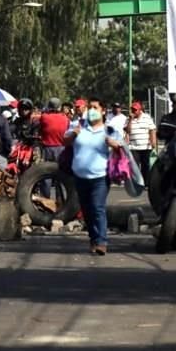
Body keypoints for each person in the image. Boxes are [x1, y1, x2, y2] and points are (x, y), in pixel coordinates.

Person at [64, 98, 122, 255]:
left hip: (100, 177)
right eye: (89, 107)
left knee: (97, 207)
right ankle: (93, 238)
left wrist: (114, 144)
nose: (91, 110)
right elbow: (65, 141)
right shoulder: (78, 126)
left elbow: (122, 147)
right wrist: (73, 134)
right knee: (87, 210)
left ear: (103, 111)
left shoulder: (109, 130)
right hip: (80, 176)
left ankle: (102, 241)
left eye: (95, 107)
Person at [125, 100, 156, 184]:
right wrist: (131, 120)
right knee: (135, 165)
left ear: (140, 110)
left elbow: (152, 130)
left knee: (145, 166)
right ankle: (137, 181)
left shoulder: (147, 117)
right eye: (132, 109)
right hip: (133, 147)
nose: (133, 111)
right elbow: (127, 131)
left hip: (145, 146)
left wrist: (153, 142)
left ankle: (146, 182)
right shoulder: (128, 119)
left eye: (135, 110)